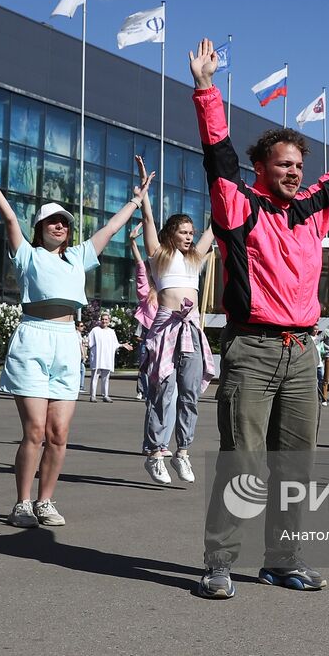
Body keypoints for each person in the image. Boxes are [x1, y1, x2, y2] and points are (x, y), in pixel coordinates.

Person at [191, 37, 329, 599]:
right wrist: (207, 89)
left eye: (300, 166)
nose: (296, 173)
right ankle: (219, 563)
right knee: (245, 460)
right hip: (251, 350)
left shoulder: (313, 213)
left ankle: (282, 561)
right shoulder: (237, 203)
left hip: (303, 352)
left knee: (295, 466)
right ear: (261, 168)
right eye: (285, 165)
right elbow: (218, 153)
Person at [0, 143, 146, 528]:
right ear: (40, 228)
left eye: (64, 221)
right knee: (33, 430)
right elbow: (9, 216)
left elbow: (111, 229)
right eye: (52, 221)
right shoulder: (27, 255)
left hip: (67, 342)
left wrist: (135, 201)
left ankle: (46, 501)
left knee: (59, 433)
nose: (59, 225)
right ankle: (22, 502)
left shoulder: (79, 255)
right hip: (33, 337)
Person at [134, 169, 216, 484]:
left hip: (192, 328)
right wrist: (144, 196)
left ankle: (182, 452)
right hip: (166, 325)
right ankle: (155, 453)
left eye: (190, 232)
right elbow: (150, 225)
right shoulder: (160, 256)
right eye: (183, 232)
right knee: (162, 390)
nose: (189, 236)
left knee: (190, 393)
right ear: (172, 233)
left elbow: (214, 228)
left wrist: (224, 187)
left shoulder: (195, 259)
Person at [126, 224, 160, 402]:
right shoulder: (147, 294)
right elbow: (140, 268)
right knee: (147, 368)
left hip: (168, 337)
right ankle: (148, 394)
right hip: (150, 337)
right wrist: (132, 243)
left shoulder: (169, 290)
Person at [87, 314, 132, 403]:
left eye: (106, 319)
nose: (104, 321)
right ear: (100, 320)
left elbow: (115, 344)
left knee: (106, 377)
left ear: (109, 321)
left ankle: (105, 395)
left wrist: (122, 345)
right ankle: (93, 396)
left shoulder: (111, 332)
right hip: (97, 357)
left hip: (107, 357)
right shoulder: (95, 330)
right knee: (95, 376)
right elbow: (90, 343)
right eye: (103, 319)